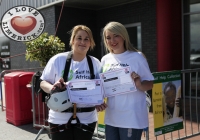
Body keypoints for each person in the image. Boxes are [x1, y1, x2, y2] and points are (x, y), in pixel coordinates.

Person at [40, 25, 101, 140]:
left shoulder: (95, 63)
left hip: (87, 118)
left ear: (90, 42)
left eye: (86, 39)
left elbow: (100, 87)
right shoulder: (58, 59)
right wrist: (53, 88)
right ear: (73, 40)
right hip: (59, 118)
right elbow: (43, 83)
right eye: (79, 38)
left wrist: (99, 100)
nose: (82, 42)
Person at [96, 21, 154, 140]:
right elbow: (101, 85)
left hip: (131, 117)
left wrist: (139, 84)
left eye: (116, 35)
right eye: (108, 37)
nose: (112, 40)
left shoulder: (137, 57)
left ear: (123, 36)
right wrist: (98, 100)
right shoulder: (105, 59)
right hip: (112, 116)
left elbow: (149, 84)